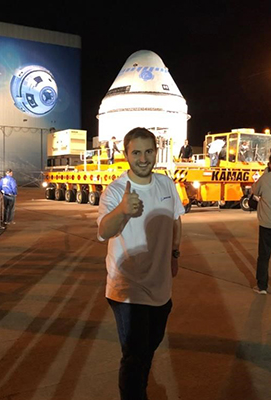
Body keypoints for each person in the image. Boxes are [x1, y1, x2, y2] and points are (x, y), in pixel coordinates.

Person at [97, 127, 185, 400]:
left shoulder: (167, 184)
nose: (143, 158)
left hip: (160, 287)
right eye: (136, 152)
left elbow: (176, 220)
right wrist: (122, 210)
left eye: (148, 151)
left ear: (156, 152)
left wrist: (174, 253)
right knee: (134, 358)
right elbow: (103, 231)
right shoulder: (115, 190)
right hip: (127, 288)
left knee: (148, 349)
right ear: (126, 155)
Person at [252, 155, 271, 295]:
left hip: (266, 223)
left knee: (264, 255)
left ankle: (262, 286)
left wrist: (265, 173)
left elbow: (255, 190)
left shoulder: (265, 179)